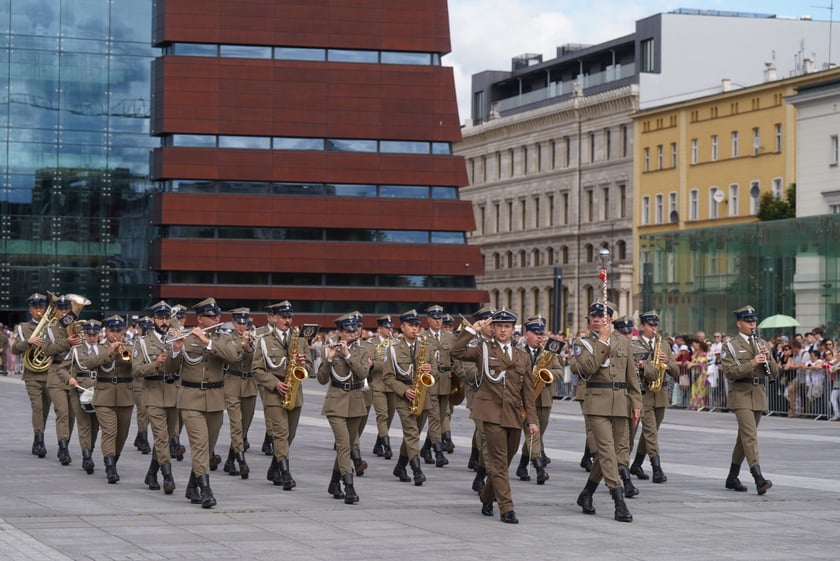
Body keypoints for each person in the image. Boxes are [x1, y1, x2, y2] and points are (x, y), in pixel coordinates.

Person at [451, 309, 538, 524]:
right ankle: (507, 507)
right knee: (498, 462)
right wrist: (472, 330)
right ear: (493, 328)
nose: (502, 330)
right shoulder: (483, 349)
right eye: (499, 326)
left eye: (507, 327)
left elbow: (528, 391)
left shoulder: (522, 356)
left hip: (513, 414)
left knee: (505, 462)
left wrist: (532, 420)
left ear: (513, 329)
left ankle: (487, 496)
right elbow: (456, 351)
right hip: (490, 412)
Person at [569, 302, 642, 523]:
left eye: (602, 317)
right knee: (608, 452)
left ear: (609, 319)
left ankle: (587, 493)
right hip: (597, 404)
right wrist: (601, 342)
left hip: (621, 403)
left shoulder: (622, 341)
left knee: (609, 453)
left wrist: (636, 403)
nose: (597, 320)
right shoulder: (582, 343)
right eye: (594, 316)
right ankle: (619, 501)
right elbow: (587, 369)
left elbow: (631, 376)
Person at [170, 298, 238, 507]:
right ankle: (206, 490)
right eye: (211, 316)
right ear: (199, 319)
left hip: (215, 398)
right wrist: (175, 350)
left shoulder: (223, 338)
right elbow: (170, 370)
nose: (216, 319)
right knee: (199, 444)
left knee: (207, 448)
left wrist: (207, 342)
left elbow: (232, 357)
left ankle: (192, 486)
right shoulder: (186, 337)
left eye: (217, 315)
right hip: (190, 398)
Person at [251, 300, 313, 490]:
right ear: (275, 318)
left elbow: (310, 368)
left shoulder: (300, 339)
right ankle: (286, 474)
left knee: (289, 435)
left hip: (294, 391)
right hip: (274, 392)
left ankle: (274, 467)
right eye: (284, 317)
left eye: (289, 317)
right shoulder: (264, 340)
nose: (287, 320)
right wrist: (275, 383)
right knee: (281, 433)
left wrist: (302, 364)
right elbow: (256, 369)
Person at [720, 305, 779, 495]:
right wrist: (752, 363)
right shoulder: (730, 345)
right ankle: (758, 477)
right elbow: (730, 373)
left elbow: (775, 373)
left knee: (744, 437)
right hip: (741, 394)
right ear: (739, 323)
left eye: (754, 321)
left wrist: (769, 358)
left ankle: (732, 477)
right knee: (750, 435)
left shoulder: (761, 343)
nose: (752, 324)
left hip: (758, 393)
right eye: (748, 321)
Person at [317, 313, 372, 504]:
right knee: (343, 444)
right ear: (340, 332)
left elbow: (362, 373)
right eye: (348, 331)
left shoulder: (362, 350)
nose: (353, 334)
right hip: (336, 402)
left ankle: (334, 482)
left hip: (356, 401)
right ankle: (349, 486)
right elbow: (322, 379)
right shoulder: (329, 348)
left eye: (355, 330)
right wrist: (329, 359)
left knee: (346, 446)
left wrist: (348, 355)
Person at [131, 301, 180, 494]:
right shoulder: (142, 342)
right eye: (160, 318)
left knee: (166, 439)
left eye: (167, 318)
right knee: (160, 437)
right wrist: (155, 365)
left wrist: (177, 348)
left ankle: (151, 473)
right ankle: (168, 477)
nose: (164, 322)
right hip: (153, 393)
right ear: (153, 320)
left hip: (173, 393)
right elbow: (136, 370)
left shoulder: (176, 338)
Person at [383, 309, 435, 486]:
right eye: (411, 325)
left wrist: (430, 370)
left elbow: (435, 372)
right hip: (403, 397)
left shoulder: (427, 347)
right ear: (403, 327)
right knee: (412, 434)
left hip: (423, 396)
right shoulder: (393, 349)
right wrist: (404, 390)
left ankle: (400, 466)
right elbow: (388, 377)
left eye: (416, 325)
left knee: (413, 435)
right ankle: (417, 470)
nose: (414, 329)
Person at [81, 315, 136, 484]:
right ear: (106, 332)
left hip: (125, 396)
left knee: (122, 434)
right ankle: (110, 467)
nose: (115, 334)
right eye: (112, 331)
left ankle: (114, 459)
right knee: (109, 431)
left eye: (119, 331)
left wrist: (123, 350)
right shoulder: (98, 348)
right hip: (104, 396)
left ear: (123, 331)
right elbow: (89, 364)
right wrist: (109, 352)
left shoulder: (129, 347)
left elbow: (133, 365)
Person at [629, 310, 679, 485]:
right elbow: (635, 370)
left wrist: (667, 363)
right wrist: (645, 366)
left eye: (655, 325)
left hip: (660, 394)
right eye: (650, 325)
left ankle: (636, 464)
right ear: (643, 326)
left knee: (651, 432)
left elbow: (676, 370)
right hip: (644, 393)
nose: (653, 328)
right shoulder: (635, 345)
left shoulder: (664, 344)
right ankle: (657, 468)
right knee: (650, 432)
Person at [515, 315, 563, 485]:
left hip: (544, 400)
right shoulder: (518, 351)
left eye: (541, 333)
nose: (539, 337)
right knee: (532, 434)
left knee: (537, 435)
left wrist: (547, 374)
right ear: (527, 334)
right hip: (525, 400)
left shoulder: (549, 352)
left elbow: (560, 372)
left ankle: (522, 466)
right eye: (536, 334)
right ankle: (539, 468)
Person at [43, 295, 83, 466]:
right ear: (56, 311)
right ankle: (64, 447)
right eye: (61, 309)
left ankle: (64, 442)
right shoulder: (50, 329)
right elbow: (46, 350)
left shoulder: (79, 327)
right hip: (56, 373)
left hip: (73, 372)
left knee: (72, 414)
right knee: (62, 412)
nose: (64, 312)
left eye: (67, 309)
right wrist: (66, 343)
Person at [13, 293, 53, 458]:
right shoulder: (23, 328)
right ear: (30, 309)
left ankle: (37, 439)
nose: (38, 310)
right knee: (37, 407)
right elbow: (15, 349)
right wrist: (27, 342)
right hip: (32, 375)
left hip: (49, 374)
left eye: (41, 307)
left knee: (45, 410)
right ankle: (40, 441)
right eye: (35, 307)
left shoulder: (51, 327)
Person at [420, 304, 460, 467]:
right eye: (435, 318)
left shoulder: (450, 337)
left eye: (440, 318)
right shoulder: (422, 337)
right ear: (428, 320)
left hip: (446, 381)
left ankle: (426, 448)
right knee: (435, 417)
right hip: (430, 381)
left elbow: (455, 360)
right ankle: (438, 452)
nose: (438, 321)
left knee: (442, 417)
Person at [61, 319, 102, 474]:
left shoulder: (105, 349)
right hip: (79, 391)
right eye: (89, 335)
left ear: (99, 334)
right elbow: (61, 369)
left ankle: (89, 450)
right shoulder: (76, 350)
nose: (92, 338)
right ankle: (86, 457)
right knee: (84, 424)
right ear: (85, 334)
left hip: (99, 391)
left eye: (94, 334)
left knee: (95, 426)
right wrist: (69, 379)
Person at [221, 308, 258, 479]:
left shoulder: (252, 338)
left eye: (245, 324)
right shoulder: (227, 338)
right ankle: (242, 462)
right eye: (239, 323)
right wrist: (243, 344)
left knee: (244, 427)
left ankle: (230, 461)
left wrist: (254, 346)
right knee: (236, 424)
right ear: (234, 323)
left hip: (249, 384)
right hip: (233, 383)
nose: (242, 327)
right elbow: (231, 357)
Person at [366, 315, 397, 460]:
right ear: (380, 328)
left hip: (392, 385)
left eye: (391, 327)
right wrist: (384, 364)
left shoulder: (396, 343)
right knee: (382, 415)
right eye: (387, 327)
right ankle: (387, 445)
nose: (390, 329)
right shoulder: (372, 343)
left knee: (389, 416)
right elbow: (371, 363)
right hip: (377, 384)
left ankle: (379, 443)